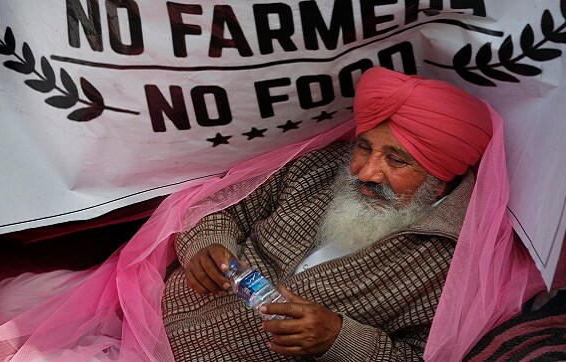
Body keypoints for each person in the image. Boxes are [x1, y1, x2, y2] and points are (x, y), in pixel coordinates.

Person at [162, 67, 493, 361]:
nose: (366, 173)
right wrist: (206, 244)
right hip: (149, 320)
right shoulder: (319, 166)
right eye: (365, 147)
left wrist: (340, 338)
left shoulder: (451, 264)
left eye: (395, 160)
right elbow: (223, 204)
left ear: (440, 182)